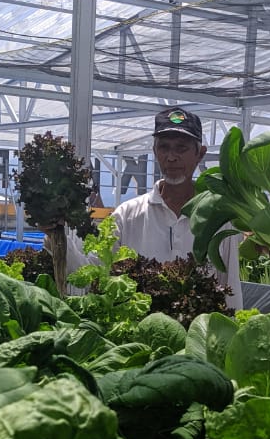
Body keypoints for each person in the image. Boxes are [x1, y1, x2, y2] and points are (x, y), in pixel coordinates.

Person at [63, 106, 243, 310]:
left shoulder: (219, 219)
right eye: (164, 147)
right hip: (139, 336)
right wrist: (56, 235)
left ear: (200, 154)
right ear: (155, 152)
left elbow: (231, 287)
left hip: (199, 336)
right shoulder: (127, 215)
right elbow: (93, 273)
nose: (171, 157)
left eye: (181, 148)